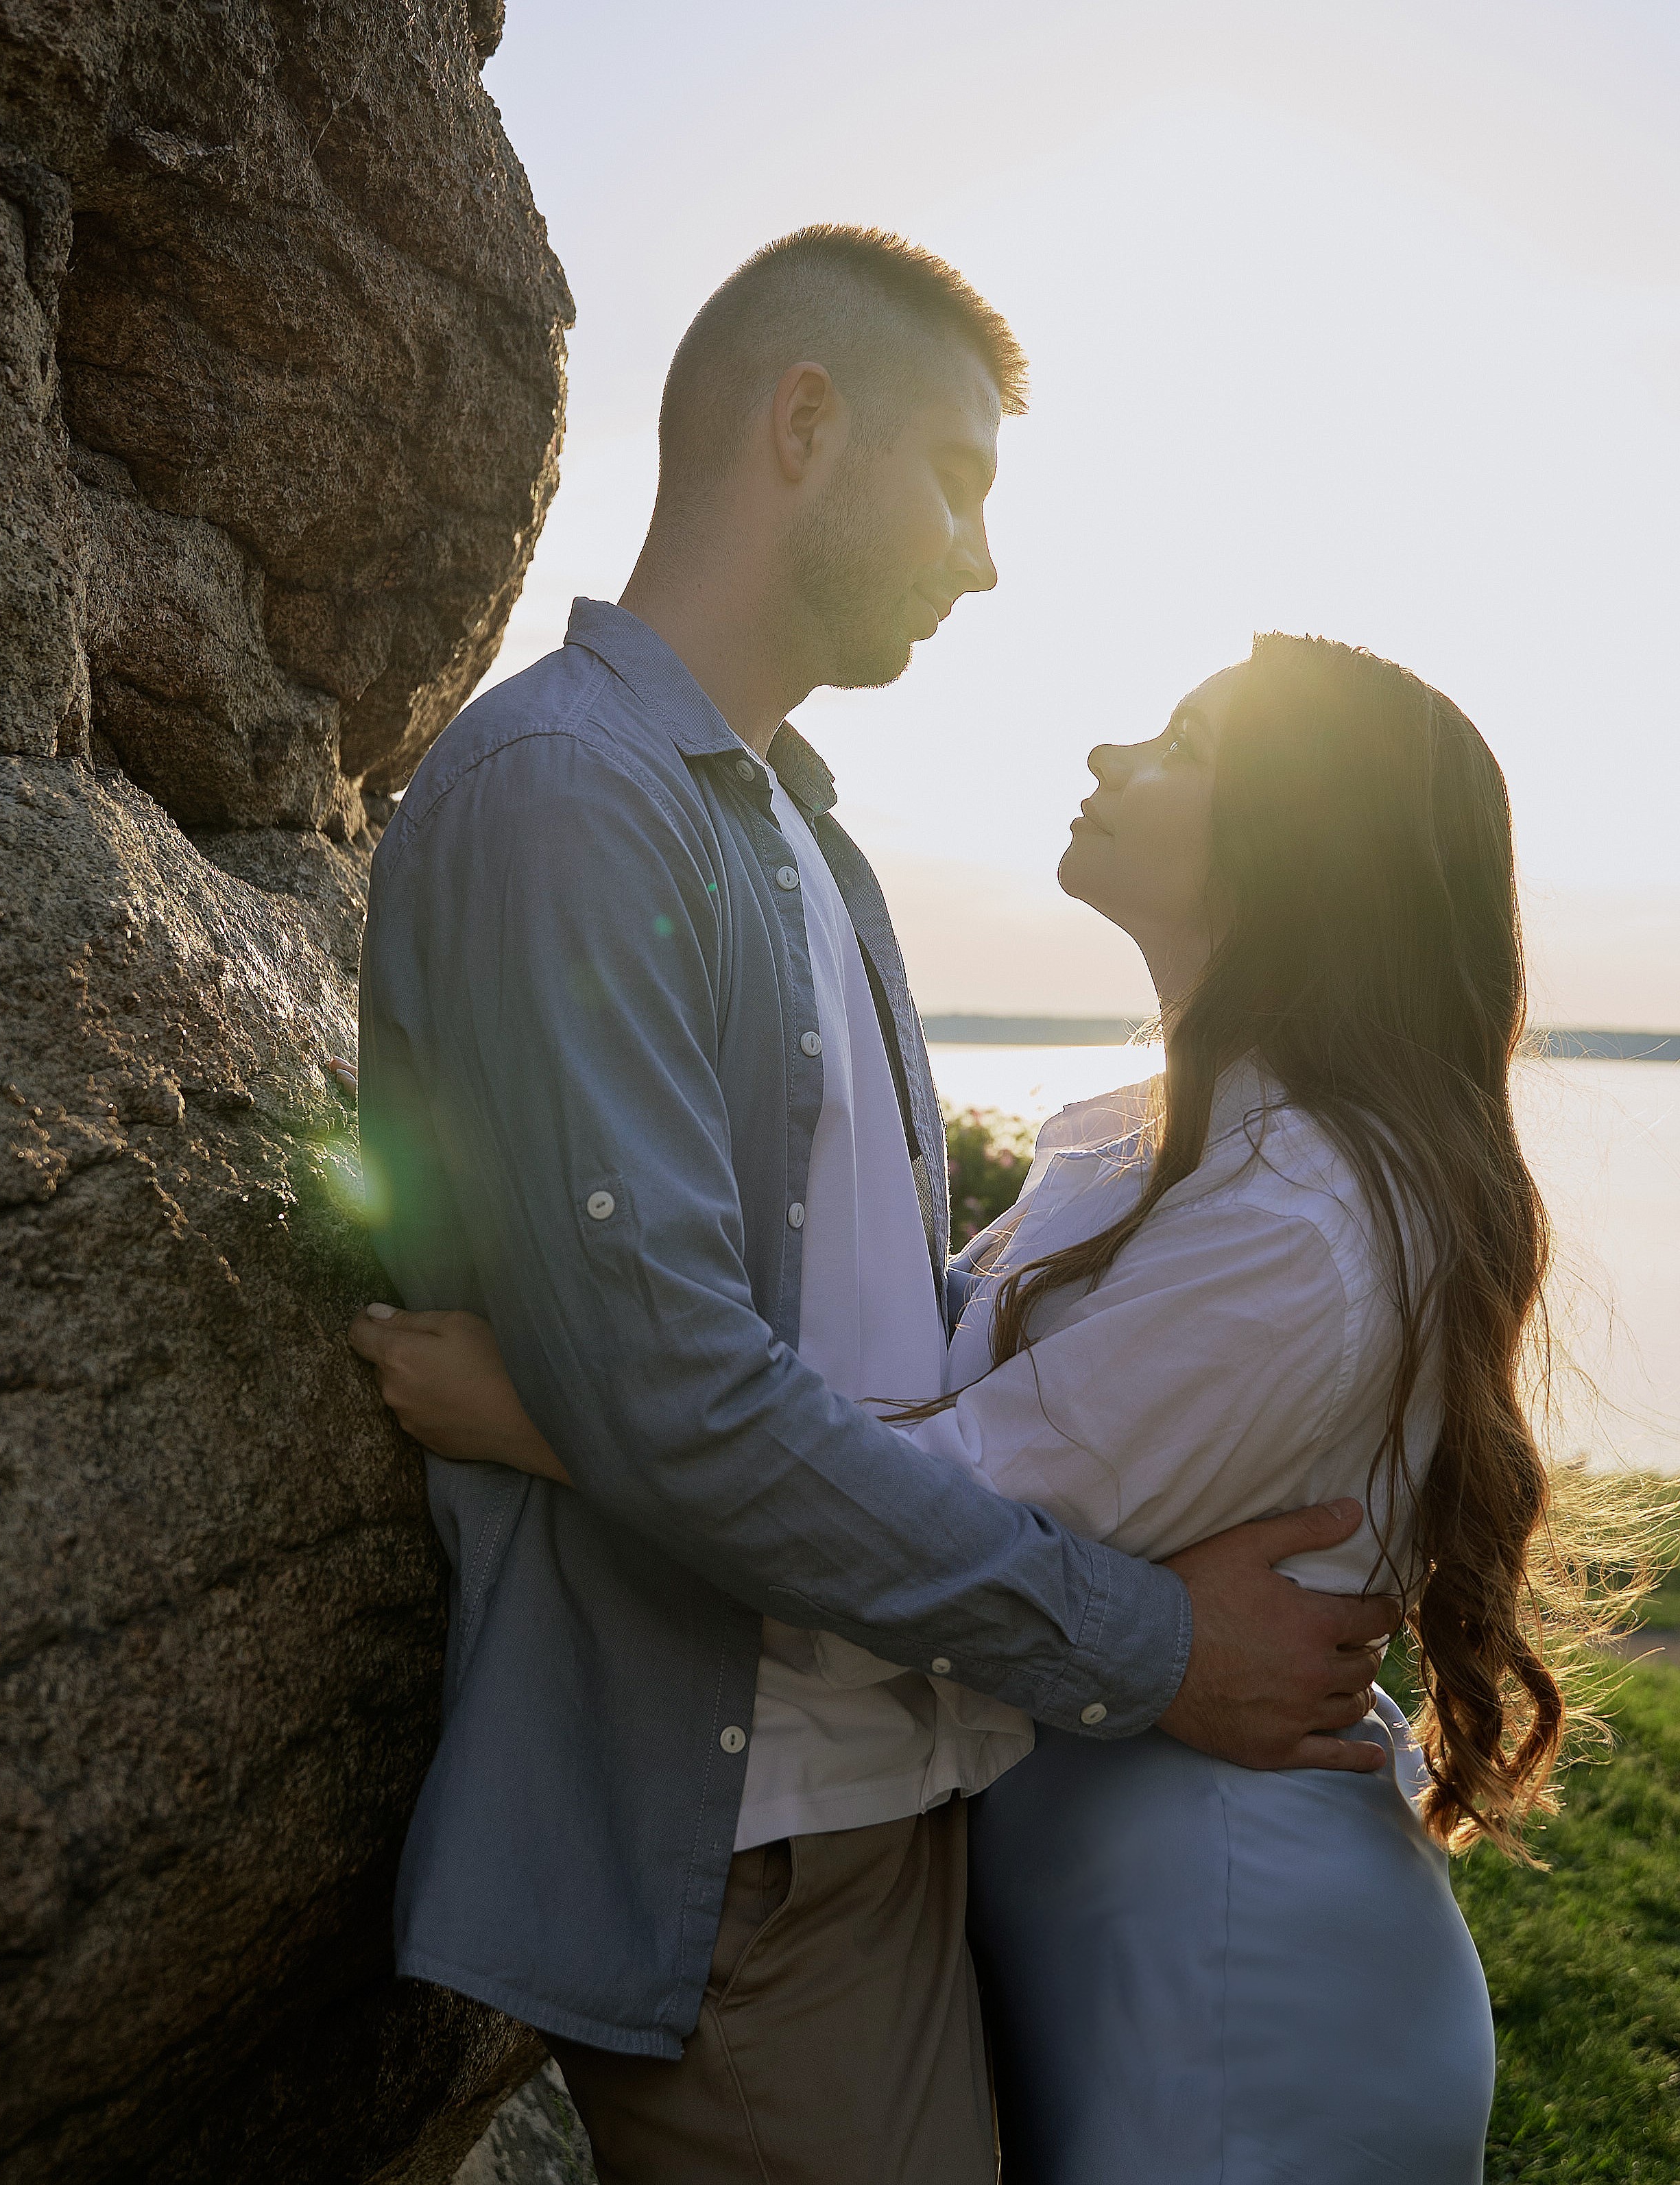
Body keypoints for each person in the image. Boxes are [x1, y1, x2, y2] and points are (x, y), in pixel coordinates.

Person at [350, 226, 1396, 2185]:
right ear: (805, 425)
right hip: (743, 1841)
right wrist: (1157, 1645)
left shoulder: (804, 837)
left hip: (889, 1792)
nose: (985, 557)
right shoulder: (571, 799)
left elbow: (875, 1330)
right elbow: (690, 1401)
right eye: (964, 478)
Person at [365, 635, 1609, 2181]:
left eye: (1180, 744)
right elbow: (881, 1388)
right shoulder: (1153, 1143)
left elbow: (942, 1497)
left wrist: (546, 1409)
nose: (1111, 757)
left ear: (1298, 843)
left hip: (1235, 1982)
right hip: (1107, 1930)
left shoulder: (1300, 1221)